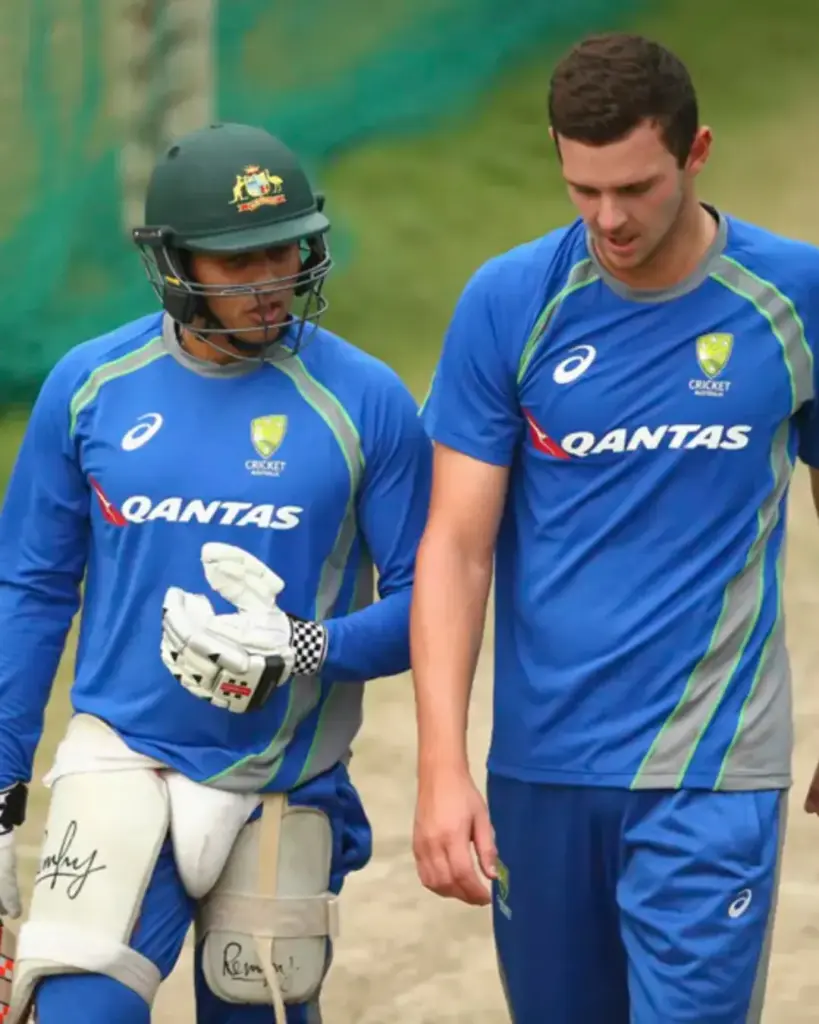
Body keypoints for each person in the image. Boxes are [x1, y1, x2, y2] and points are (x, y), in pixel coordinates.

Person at [410, 31, 819, 1024]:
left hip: (713, 765)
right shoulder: (511, 302)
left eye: (635, 187)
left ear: (697, 151)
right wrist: (440, 767)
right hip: (541, 768)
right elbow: (456, 547)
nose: (609, 218)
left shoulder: (794, 296)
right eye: (583, 190)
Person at [0, 121, 432, 1024]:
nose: (270, 281)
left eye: (284, 250)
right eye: (237, 263)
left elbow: (431, 607)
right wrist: (0, 776)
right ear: (174, 265)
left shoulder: (368, 402)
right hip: (122, 768)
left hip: (284, 784)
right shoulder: (88, 388)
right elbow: (32, 589)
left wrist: (302, 647)